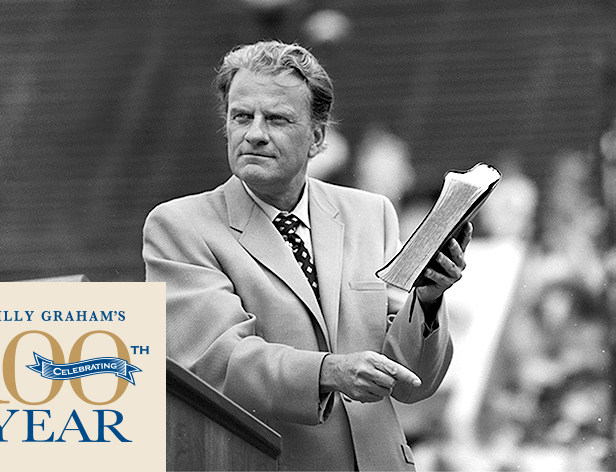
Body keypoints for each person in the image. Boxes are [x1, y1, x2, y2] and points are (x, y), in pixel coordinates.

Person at [143, 40, 471, 471]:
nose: (254, 133)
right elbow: (215, 363)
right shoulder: (178, 226)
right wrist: (329, 371)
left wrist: (427, 303)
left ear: (317, 138)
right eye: (241, 116)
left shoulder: (371, 214)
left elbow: (413, 381)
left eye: (276, 119)